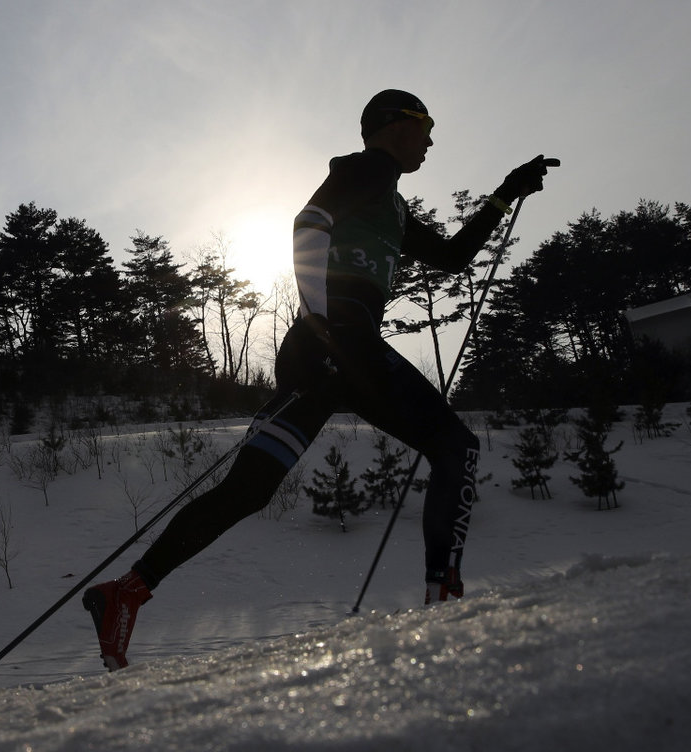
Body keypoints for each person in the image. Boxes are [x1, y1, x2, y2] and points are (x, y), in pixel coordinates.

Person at [84, 89, 556, 671]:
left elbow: (455, 257)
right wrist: (327, 325)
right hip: (341, 346)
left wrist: (505, 195)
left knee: (249, 490)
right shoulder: (371, 170)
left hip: (324, 353)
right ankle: (444, 603)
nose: (431, 140)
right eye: (425, 125)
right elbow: (308, 223)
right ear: (392, 126)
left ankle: (124, 594)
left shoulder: (393, 205)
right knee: (454, 445)